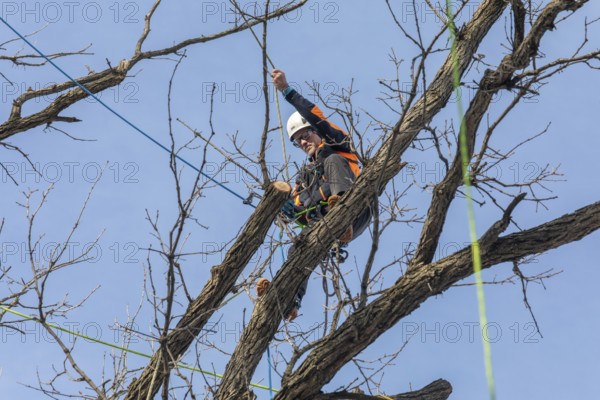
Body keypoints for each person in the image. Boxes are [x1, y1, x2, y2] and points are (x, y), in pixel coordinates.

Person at [256, 69, 371, 321]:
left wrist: (287, 91)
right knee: (298, 249)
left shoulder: (338, 145)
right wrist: (284, 209)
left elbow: (317, 118)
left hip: (356, 210)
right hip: (328, 227)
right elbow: (300, 210)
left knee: (332, 161)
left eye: (306, 134)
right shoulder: (304, 178)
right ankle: (287, 302)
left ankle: (342, 213)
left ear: (315, 132)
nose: (303, 141)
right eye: (297, 140)